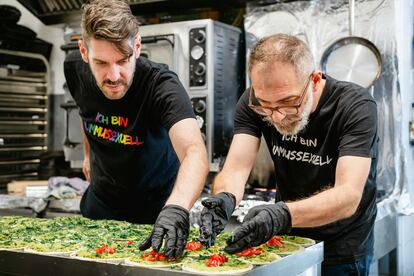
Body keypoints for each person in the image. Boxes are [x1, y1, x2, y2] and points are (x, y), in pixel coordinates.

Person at [199, 34, 378, 275]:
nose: (276, 117)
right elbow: (236, 169)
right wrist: (224, 199)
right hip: (284, 241)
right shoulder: (252, 102)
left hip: (342, 246)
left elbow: (348, 195)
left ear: (315, 80)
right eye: (266, 105)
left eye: (289, 102)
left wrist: (282, 214)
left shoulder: (354, 106)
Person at [63, 0, 209, 259]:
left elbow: (194, 152)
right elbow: (87, 113)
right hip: (100, 203)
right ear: (84, 52)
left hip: (155, 213)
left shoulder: (161, 85)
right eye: (101, 63)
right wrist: (87, 155)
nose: (114, 75)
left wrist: (176, 208)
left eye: (123, 60)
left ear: (137, 47)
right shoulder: (74, 68)